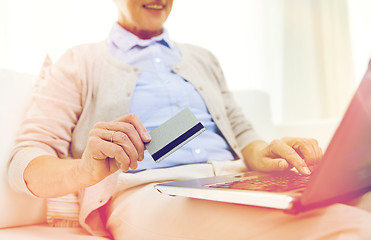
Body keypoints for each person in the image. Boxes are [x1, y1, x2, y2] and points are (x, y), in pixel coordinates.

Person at [8, 0, 371, 239]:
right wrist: (83, 172)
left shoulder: (203, 59)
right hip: (149, 190)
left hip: (237, 179)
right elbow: (24, 162)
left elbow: (242, 132)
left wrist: (266, 153)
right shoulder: (79, 61)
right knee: (343, 229)